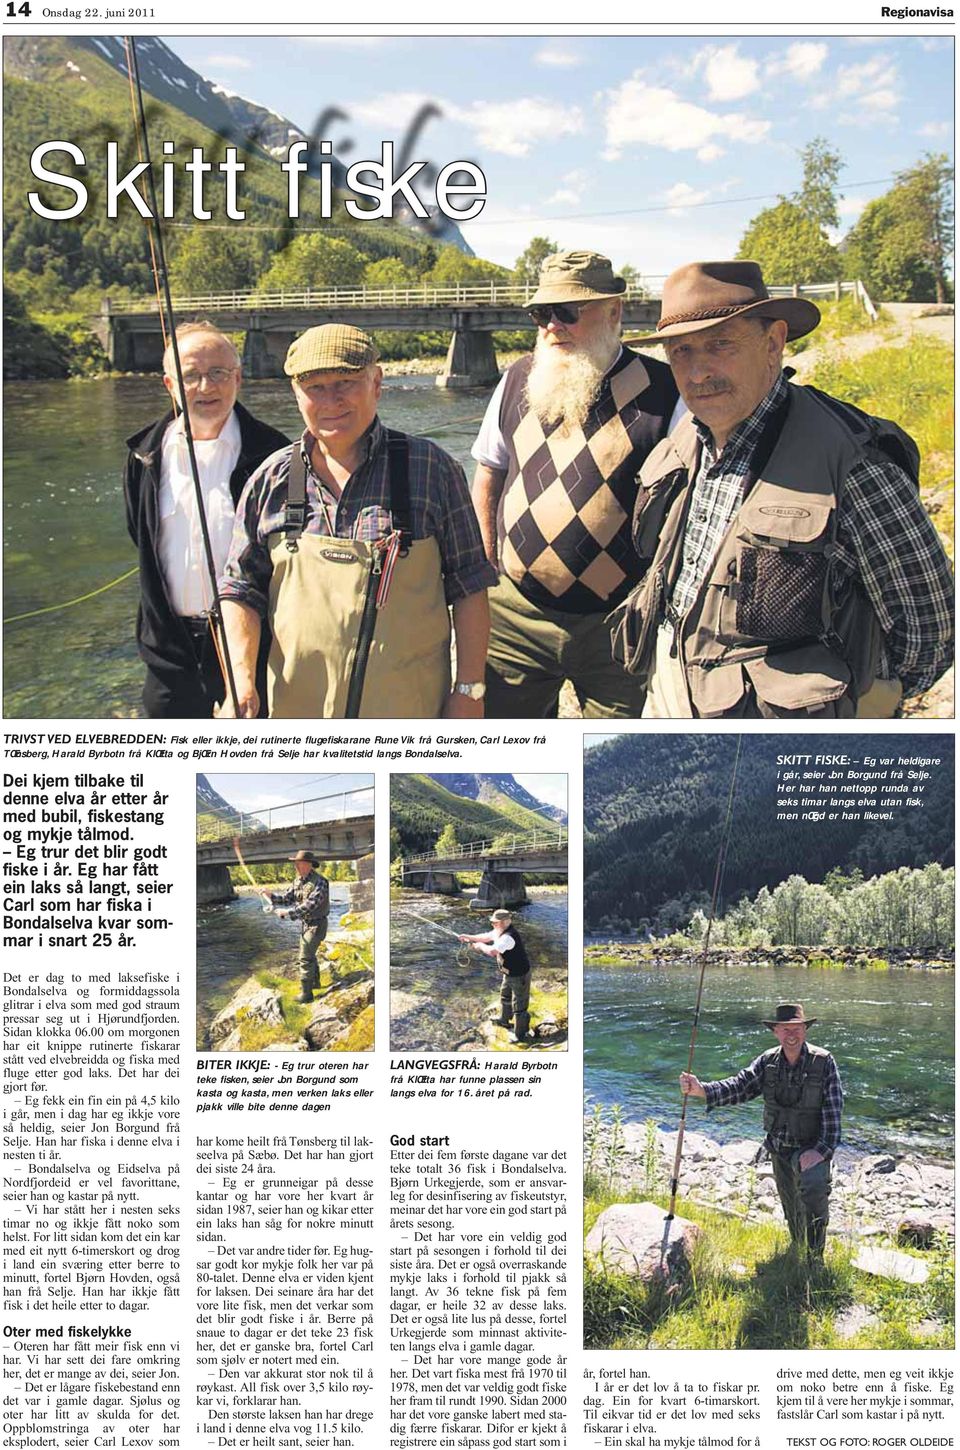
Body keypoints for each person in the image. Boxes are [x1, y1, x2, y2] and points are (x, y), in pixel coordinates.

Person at [612, 260, 954, 718]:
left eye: (719, 345)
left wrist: (863, 702)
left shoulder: (852, 461)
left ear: (773, 342)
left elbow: (931, 630)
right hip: (672, 688)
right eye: (681, 352)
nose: (697, 373)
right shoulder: (686, 437)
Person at [217, 324, 496, 719]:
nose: (331, 400)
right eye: (314, 387)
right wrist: (240, 681)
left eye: (346, 382)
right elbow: (240, 589)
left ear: (377, 383)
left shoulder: (432, 469)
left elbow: (470, 585)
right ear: (296, 394)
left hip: (410, 714)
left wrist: (469, 690)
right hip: (298, 717)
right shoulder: (269, 479)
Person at [470, 249, 681, 718]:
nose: (552, 326)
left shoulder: (666, 393)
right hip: (515, 618)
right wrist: (485, 569)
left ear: (614, 311)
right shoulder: (517, 380)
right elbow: (489, 472)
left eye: (567, 312)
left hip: (618, 624)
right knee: (504, 742)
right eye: (541, 313)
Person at [123, 321, 289, 718]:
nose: (206, 387)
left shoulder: (276, 455)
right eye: (191, 376)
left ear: (238, 377)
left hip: (255, 650)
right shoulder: (142, 457)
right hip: (169, 656)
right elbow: (140, 535)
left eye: (218, 373)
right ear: (169, 384)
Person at [680, 1003, 842, 1259]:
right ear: (775, 1032)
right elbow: (740, 1086)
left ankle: (814, 1259)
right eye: (785, 1028)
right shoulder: (767, 1062)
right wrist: (702, 1090)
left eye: (797, 1028)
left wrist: (821, 1151)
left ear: (805, 1030)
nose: (792, 1033)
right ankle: (797, 1250)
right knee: (791, 1209)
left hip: (812, 1148)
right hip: (778, 1149)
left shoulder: (824, 1062)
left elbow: (834, 1112)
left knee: (813, 1194)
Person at [265, 850, 331, 1004]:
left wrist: (288, 913)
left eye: (298, 863)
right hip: (306, 925)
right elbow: (286, 898)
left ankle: (306, 995)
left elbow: (311, 905)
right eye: (295, 863)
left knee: (305, 957)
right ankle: (315, 983)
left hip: (317, 924)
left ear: (308, 864)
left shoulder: (321, 882)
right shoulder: (297, 881)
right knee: (310, 954)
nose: (296, 866)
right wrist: (271, 896)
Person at [459, 909, 532, 1043]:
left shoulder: (508, 937)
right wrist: (468, 937)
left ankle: (520, 1035)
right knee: (505, 996)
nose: (492, 924)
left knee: (520, 1007)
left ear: (504, 922)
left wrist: (480, 946)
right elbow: (486, 936)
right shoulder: (499, 931)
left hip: (519, 975)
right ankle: (504, 1020)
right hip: (508, 973)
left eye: (494, 922)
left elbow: (492, 951)